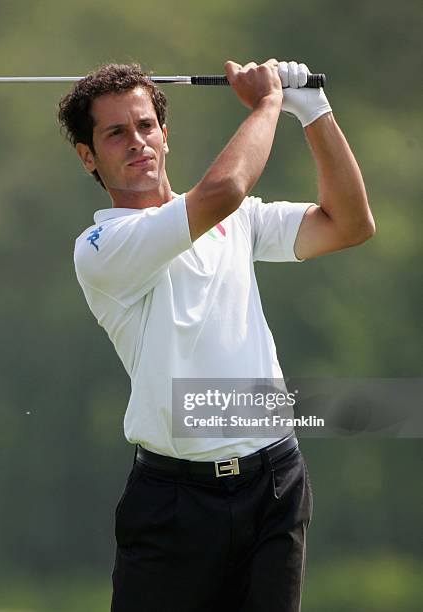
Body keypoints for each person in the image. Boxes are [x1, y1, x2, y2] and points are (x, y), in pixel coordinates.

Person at [58, 59, 374, 612]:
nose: (137, 142)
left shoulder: (239, 221)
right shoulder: (102, 248)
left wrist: (313, 111)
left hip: (274, 484)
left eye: (145, 126)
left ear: (164, 134)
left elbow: (349, 223)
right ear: (88, 155)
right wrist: (269, 101)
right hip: (173, 503)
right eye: (115, 133)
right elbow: (223, 188)